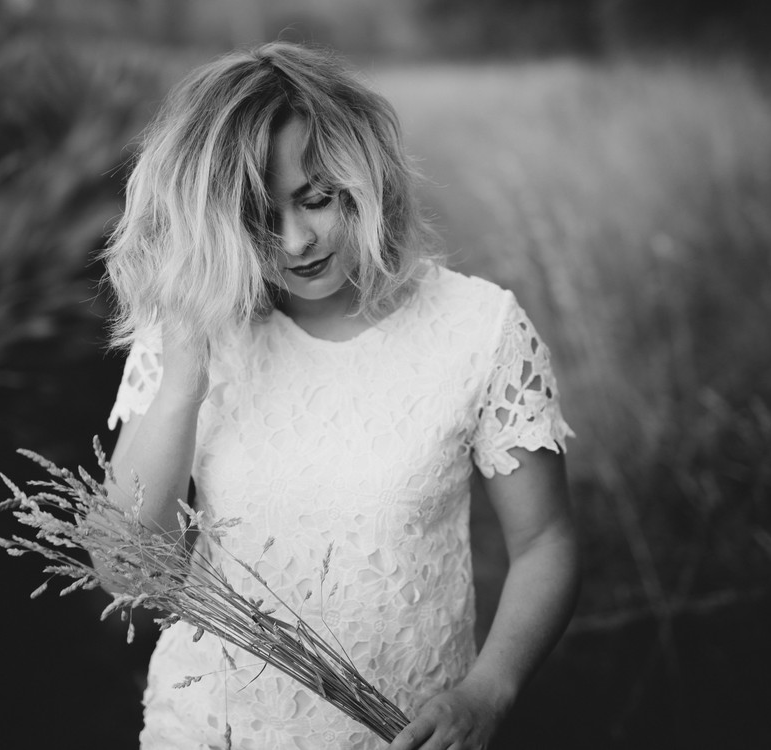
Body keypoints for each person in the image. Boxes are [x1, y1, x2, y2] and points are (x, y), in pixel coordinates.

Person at [103, 41, 579, 750]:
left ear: (365, 175)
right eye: (259, 219)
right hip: (208, 731)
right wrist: (182, 385)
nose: (295, 240)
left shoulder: (479, 329)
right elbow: (124, 572)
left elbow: (545, 541)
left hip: (397, 737)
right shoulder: (192, 332)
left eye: (315, 199)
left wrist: (487, 692)